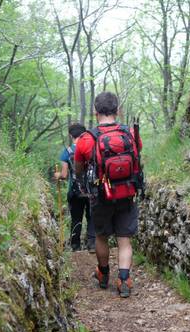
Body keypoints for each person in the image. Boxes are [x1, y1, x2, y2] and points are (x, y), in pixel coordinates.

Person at [74, 92, 143, 298]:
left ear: (95, 112)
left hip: (101, 195)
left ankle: (103, 274)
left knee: (101, 236)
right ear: (118, 110)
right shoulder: (130, 134)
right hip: (127, 193)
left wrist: (83, 183)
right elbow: (137, 157)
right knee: (124, 240)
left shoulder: (87, 139)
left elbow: (79, 168)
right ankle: (124, 279)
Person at [54, 123, 95, 252]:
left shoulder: (67, 152)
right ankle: (92, 244)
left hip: (74, 190)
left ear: (71, 135)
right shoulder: (92, 149)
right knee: (91, 216)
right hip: (91, 189)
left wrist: (57, 175)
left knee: (76, 218)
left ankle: (75, 246)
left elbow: (65, 175)